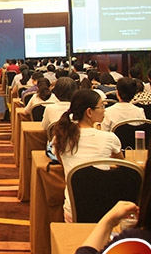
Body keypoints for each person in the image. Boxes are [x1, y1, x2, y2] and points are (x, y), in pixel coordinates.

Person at [51, 88, 122, 222]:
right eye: (102, 106)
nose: (104, 110)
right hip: (106, 212)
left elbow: (62, 162)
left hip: (73, 210)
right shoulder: (109, 138)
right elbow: (122, 166)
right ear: (89, 112)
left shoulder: (61, 138)